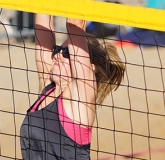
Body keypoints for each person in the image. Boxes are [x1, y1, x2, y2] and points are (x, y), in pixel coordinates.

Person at [20, 14, 125, 159]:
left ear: (90, 67)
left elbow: (75, 23)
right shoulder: (48, 87)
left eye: (67, 52)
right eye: (57, 50)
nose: (57, 55)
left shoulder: (81, 98)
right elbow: (42, 15)